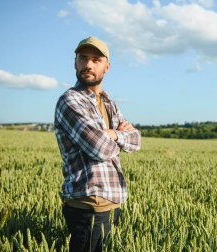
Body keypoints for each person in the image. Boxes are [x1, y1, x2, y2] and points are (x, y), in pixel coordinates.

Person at [54, 36, 141, 252]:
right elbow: (100, 148)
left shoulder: (108, 101)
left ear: (107, 66)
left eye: (96, 59)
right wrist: (117, 135)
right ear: (75, 62)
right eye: (83, 58)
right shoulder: (71, 101)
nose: (88, 65)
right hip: (88, 204)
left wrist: (110, 135)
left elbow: (136, 140)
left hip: (112, 203)